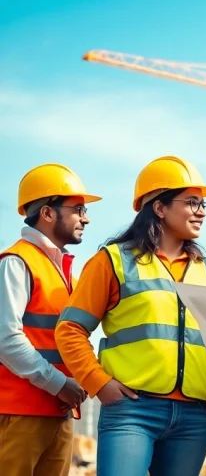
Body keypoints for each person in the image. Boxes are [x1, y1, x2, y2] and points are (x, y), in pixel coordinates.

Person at [55, 156, 206, 476]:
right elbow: (70, 329)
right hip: (132, 411)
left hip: (194, 416)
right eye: (192, 202)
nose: (201, 210)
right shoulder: (113, 261)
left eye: (204, 204)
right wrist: (99, 382)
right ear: (159, 207)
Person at [0, 163, 100, 476]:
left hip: (58, 412)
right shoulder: (17, 262)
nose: (86, 217)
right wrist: (59, 385)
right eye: (78, 209)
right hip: (19, 414)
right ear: (47, 212)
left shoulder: (62, 270)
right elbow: (6, 338)